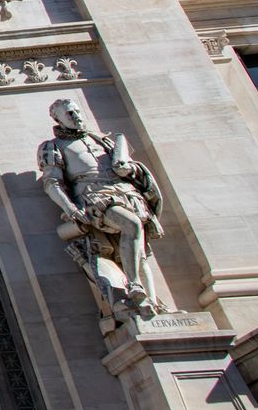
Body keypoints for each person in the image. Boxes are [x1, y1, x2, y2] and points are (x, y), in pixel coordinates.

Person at [38, 99, 164, 313]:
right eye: (69, 113)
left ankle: (151, 303)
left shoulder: (103, 140)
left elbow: (130, 168)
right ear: (57, 118)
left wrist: (129, 169)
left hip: (126, 193)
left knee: (140, 251)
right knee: (132, 225)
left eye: (78, 111)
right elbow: (53, 183)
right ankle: (133, 285)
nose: (76, 116)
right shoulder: (53, 147)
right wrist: (71, 209)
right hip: (95, 197)